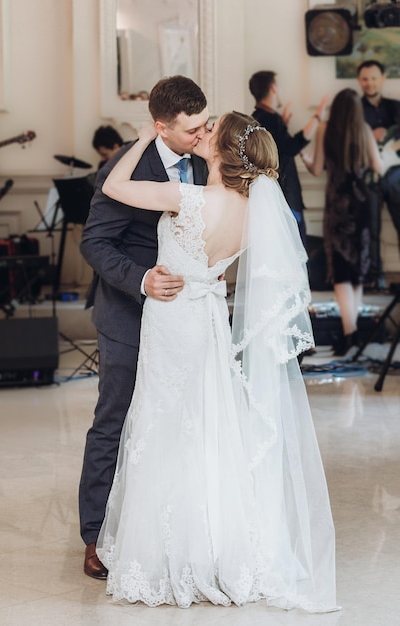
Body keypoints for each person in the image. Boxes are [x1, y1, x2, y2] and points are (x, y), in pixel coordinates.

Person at [95, 112, 338, 612]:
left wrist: (147, 134)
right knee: (208, 429)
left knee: (163, 427)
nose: (203, 133)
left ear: (224, 153)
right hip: (208, 321)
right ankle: (216, 548)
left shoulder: (189, 200)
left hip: (171, 319)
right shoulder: (255, 215)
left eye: (212, 130)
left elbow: (115, 184)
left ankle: (166, 554)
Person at [79, 76, 209, 580]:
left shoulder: (205, 161)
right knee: (114, 423)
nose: (201, 135)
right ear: (160, 127)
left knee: (173, 427)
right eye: (191, 129)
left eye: (204, 123)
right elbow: (95, 243)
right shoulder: (125, 169)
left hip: (182, 322)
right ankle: (94, 537)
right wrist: (141, 281)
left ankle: (161, 532)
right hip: (128, 316)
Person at [301, 88, 383, 355]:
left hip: (337, 205)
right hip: (362, 205)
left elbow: (316, 169)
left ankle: (350, 334)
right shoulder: (365, 131)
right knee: (357, 271)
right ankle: (353, 332)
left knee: (341, 272)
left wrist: (304, 156)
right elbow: (378, 167)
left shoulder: (325, 129)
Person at [249, 70, 329, 247]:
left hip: (276, 197)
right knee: (297, 251)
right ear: (273, 88)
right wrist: (317, 117)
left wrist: (282, 125)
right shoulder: (270, 119)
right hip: (286, 196)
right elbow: (292, 147)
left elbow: (279, 149)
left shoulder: (257, 118)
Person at [357, 60, 400, 288]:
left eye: (373, 78)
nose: (369, 83)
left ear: (382, 78)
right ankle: (375, 279)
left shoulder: (396, 106)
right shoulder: (354, 109)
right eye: (365, 79)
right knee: (370, 229)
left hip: (395, 177)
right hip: (367, 178)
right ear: (359, 81)